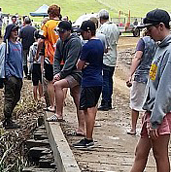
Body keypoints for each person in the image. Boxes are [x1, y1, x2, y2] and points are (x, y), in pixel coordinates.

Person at [105, 9, 171, 172]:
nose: (147, 33)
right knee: (140, 151)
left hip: (162, 113)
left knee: (160, 154)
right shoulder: (161, 47)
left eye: (149, 29)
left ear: (161, 27)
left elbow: (167, 90)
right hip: (152, 110)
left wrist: (156, 118)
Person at [47, 21, 84, 136]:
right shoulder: (59, 42)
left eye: (62, 32)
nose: (60, 34)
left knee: (58, 85)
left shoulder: (75, 42)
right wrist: (56, 73)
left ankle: (59, 113)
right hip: (69, 72)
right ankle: (82, 128)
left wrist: (60, 76)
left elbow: (70, 62)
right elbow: (56, 59)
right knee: (77, 99)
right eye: (59, 32)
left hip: (77, 73)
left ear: (69, 31)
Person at [73, 20, 105, 149]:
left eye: (82, 32)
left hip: (89, 81)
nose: (81, 35)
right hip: (98, 79)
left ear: (88, 31)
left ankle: (88, 138)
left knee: (88, 110)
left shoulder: (87, 46)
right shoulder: (100, 44)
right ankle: (88, 137)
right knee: (92, 107)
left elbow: (79, 66)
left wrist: (82, 65)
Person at [126, 30, 156, 134]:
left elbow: (138, 57)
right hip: (154, 77)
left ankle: (133, 128)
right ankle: (148, 128)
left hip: (141, 76)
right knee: (151, 103)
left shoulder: (143, 41)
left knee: (136, 103)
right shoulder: (160, 42)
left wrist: (130, 74)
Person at [0, 23, 23, 129]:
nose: (16, 32)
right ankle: (7, 119)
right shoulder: (5, 46)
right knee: (9, 98)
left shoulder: (19, 44)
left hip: (19, 75)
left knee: (17, 97)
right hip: (10, 76)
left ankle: (8, 116)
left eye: (17, 30)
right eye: (13, 31)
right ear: (9, 32)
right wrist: (1, 76)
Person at [97, 10, 120, 111]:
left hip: (105, 56)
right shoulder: (115, 27)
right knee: (110, 79)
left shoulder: (102, 29)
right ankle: (109, 101)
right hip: (113, 56)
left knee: (105, 80)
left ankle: (105, 101)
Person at [40, 5, 61, 112]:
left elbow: (41, 40)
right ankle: (60, 105)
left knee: (50, 82)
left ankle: (52, 105)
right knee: (61, 83)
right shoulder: (63, 24)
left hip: (51, 57)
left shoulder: (48, 24)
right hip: (63, 59)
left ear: (51, 14)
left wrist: (39, 53)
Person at [28, 31, 45, 101]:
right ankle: (41, 96)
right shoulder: (43, 45)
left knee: (35, 83)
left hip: (35, 65)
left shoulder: (32, 47)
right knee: (41, 82)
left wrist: (29, 70)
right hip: (42, 65)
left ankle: (35, 98)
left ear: (34, 38)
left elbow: (30, 59)